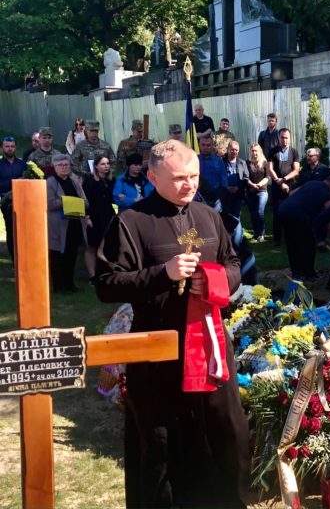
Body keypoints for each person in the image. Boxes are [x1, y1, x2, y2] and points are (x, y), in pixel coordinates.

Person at [95, 140, 249, 508]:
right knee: (161, 443)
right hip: (157, 352)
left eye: (194, 176)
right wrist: (162, 273)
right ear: (152, 177)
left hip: (209, 347)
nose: (189, 184)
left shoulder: (209, 215)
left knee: (227, 433)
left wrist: (214, 280)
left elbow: (233, 265)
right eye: (179, 178)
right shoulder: (131, 222)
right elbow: (106, 284)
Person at [278, 175, 330, 280]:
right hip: (298, 214)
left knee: (292, 242)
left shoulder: (312, 182)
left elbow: (292, 193)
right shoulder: (328, 195)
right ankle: (309, 274)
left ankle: (296, 272)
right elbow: (328, 217)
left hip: (283, 209)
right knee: (308, 244)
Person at [47, 154, 89, 293]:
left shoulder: (74, 181)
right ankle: (58, 286)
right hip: (58, 226)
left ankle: (70, 284)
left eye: (66, 165)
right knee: (58, 256)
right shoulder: (50, 182)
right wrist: (67, 201)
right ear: (55, 167)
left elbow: (85, 202)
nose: (64, 167)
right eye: (60, 165)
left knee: (71, 255)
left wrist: (78, 203)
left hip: (74, 223)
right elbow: (49, 204)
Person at [82, 154, 116, 279]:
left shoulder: (112, 180)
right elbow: (84, 200)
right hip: (93, 216)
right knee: (92, 246)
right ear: (96, 166)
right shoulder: (89, 180)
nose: (106, 166)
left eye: (107, 163)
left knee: (106, 244)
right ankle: (92, 275)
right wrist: (87, 217)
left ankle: (105, 272)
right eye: (102, 164)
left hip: (108, 215)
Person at [267, 128, 300, 246]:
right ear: (278, 138)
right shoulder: (272, 151)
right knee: (277, 214)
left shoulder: (294, 152)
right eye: (282, 137)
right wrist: (279, 182)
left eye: (286, 137)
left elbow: (296, 170)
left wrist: (284, 180)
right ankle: (277, 239)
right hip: (277, 187)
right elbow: (270, 169)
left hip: (290, 187)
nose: (284, 140)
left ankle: (290, 237)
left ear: (289, 138)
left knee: (290, 213)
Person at [0, 136, 27, 263]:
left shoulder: (23, 165)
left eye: (12, 146)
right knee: (11, 231)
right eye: (7, 146)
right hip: (7, 202)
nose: (10, 149)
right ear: (2, 148)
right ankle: (15, 261)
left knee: (24, 230)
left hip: (24, 202)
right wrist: (14, 183)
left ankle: (25, 258)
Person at [245, 143, 269, 242]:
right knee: (252, 214)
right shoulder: (247, 163)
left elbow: (268, 177)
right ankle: (256, 234)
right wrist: (252, 185)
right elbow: (245, 177)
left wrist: (258, 185)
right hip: (251, 191)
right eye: (253, 151)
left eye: (256, 151)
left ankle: (262, 234)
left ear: (260, 152)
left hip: (262, 191)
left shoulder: (265, 163)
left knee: (260, 212)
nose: (254, 153)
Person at [197, 135, 227, 210]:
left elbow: (224, 181)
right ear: (199, 145)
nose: (205, 147)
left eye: (208, 145)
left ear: (212, 146)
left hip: (216, 199)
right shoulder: (194, 160)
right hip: (199, 199)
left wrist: (220, 197)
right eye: (203, 145)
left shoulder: (218, 161)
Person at [223, 140, 249, 218]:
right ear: (227, 149)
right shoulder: (221, 162)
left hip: (238, 195)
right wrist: (226, 187)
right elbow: (218, 177)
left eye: (236, 150)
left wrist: (238, 188)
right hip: (225, 194)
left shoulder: (242, 163)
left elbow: (246, 177)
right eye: (232, 149)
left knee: (236, 218)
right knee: (226, 217)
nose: (234, 151)